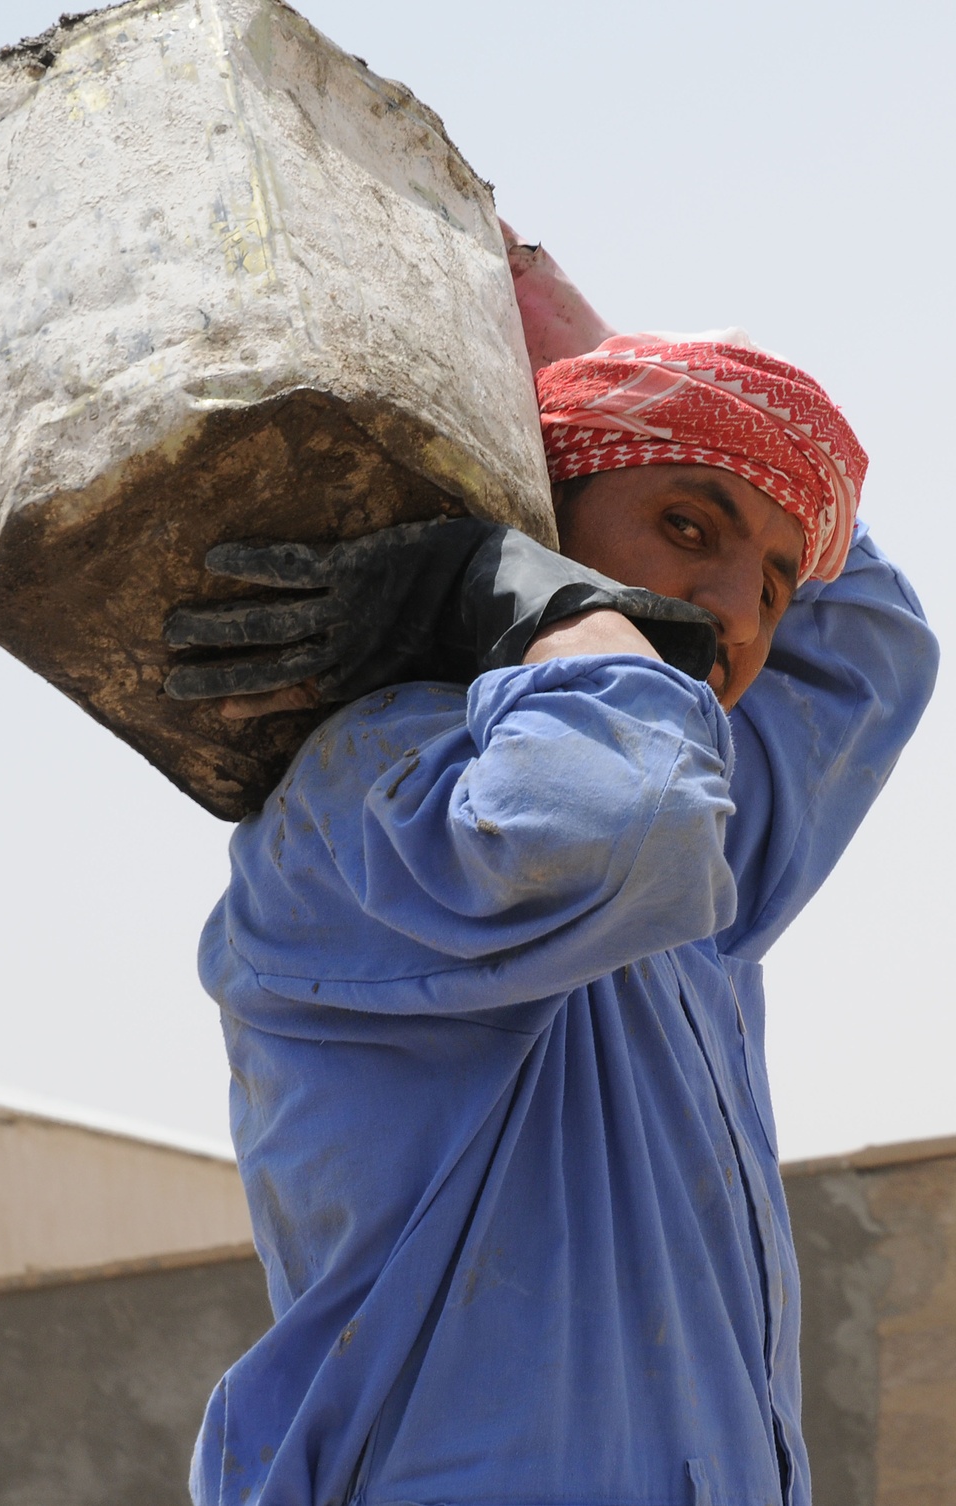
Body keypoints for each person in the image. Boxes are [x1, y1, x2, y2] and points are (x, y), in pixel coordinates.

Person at [168, 325, 938, 1506]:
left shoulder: (701, 889)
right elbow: (617, 815)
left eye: (775, 586)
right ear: (535, 518)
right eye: (687, 528)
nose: (739, 618)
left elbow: (875, 645)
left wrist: (576, 332)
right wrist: (536, 597)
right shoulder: (372, 800)